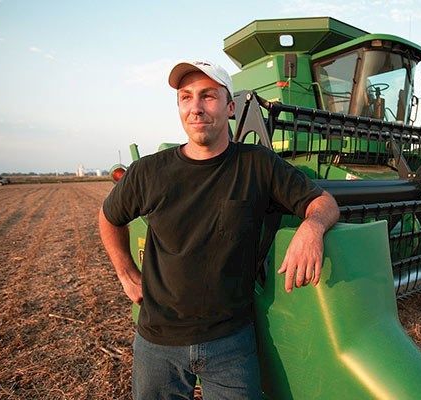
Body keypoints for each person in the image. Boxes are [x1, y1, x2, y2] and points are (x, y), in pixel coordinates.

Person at [98, 59, 340, 400]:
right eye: (186, 97)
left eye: (208, 96)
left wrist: (312, 228)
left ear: (229, 107)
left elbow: (324, 202)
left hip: (230, 341)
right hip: (158, 342)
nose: (195, 108)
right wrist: (125, 272)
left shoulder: (258, 165)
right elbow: (109, 217)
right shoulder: (148, 172)